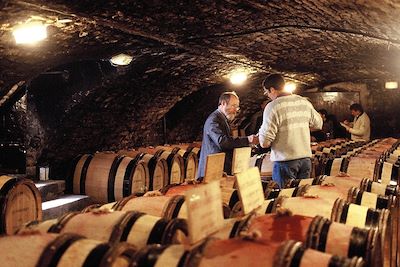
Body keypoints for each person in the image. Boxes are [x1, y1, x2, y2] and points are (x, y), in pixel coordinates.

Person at [258, 74, 323, 188]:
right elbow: (318, 124)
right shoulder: (303, 102)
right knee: (302, 198)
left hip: (285, 161)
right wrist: (301, 129)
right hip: (305, 160)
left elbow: (264, 142)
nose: (268, 96)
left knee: (285, 200)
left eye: (267, 92)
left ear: (272, 89)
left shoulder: (273, 106)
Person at [197, 91, 258, 179]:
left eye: (237, 107)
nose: (236, 110)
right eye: (233, 105)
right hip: (212, 170)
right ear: (223, 103)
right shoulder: (214, 120)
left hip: (219, 169)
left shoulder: (222, 119)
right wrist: (247, 140)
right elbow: (222, 142)